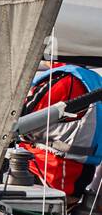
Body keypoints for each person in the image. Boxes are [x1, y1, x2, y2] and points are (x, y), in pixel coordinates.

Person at [17, 61, 102, 205]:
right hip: (77, 178)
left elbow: (15, 121)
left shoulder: (65, 81)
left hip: (46, 174)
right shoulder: (95, 80)